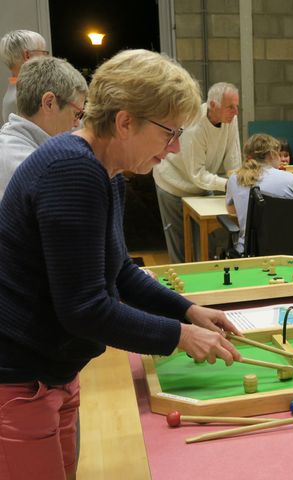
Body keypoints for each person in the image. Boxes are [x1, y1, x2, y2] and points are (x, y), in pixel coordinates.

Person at [0, 49, 242, 480]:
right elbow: (84, 307)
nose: (175, 148)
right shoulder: (71, 171)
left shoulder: (105, 170)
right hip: (19, 378)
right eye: (169, 133)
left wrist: (186, 309)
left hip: (54, 371)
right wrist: (179, 335)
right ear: (126, 121)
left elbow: (120, 272)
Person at [153, 82, 241, 263]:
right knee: (181, 246)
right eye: (230, 107)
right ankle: (180, 288)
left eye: (236, 106)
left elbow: (233, 157)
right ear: (213, 105)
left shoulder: (230, 119)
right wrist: (227, 184)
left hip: (200, 183)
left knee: (205, 242)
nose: (235, 112)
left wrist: (238, 180)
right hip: (174, 183)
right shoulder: (194, 127)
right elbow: (197, 174)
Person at [0, 56, 88, 200]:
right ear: (49, 103)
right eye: (77, 113)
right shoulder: (37, 170)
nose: (76, 123)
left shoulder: (8, 143)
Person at [226, 133, 293, 255]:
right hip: (288, 249)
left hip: (251, 250)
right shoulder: (292, 180)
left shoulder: (235, 179)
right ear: (272, 155)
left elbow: (231, 210)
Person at [0, 29, 49, 123]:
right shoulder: (22, 97)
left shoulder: (17, 93)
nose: (46, 58)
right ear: (27, 55)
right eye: (44, 53)